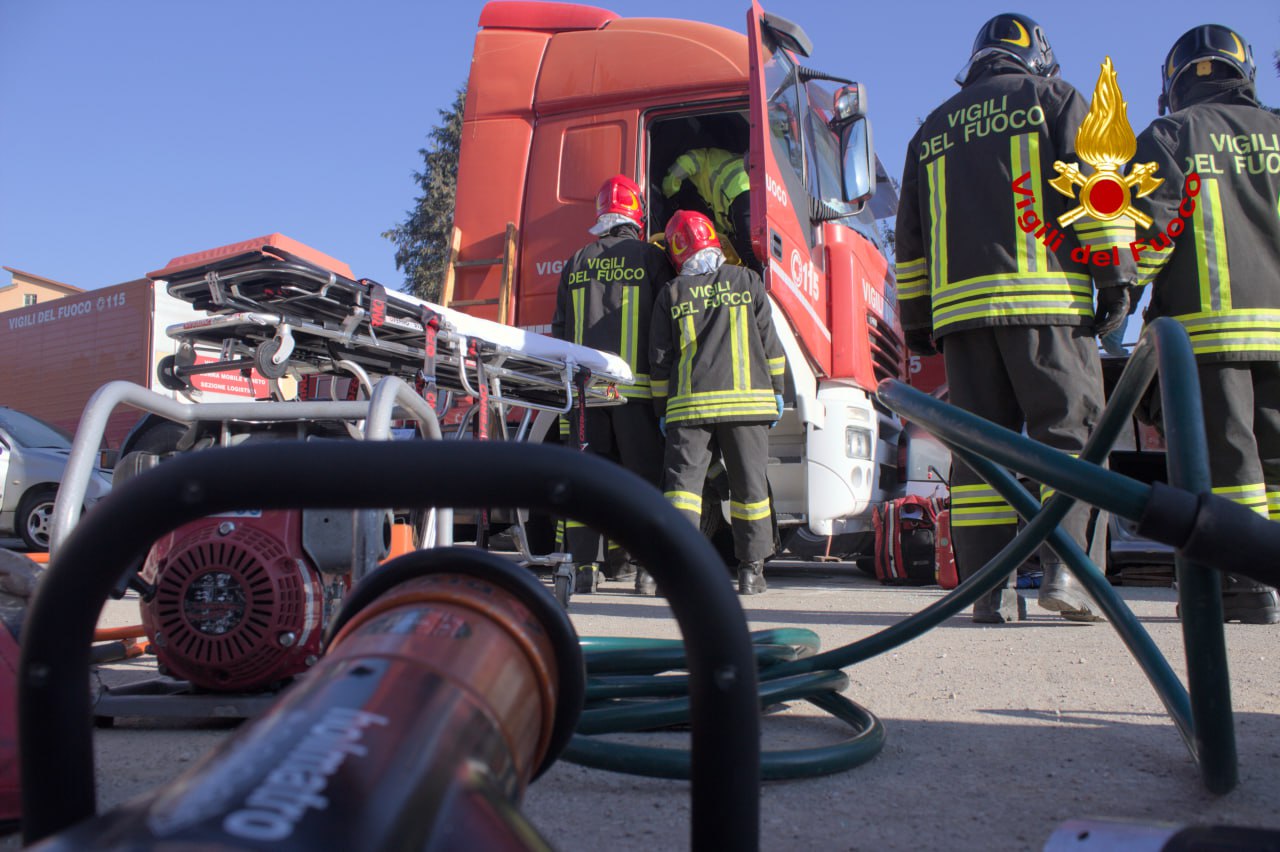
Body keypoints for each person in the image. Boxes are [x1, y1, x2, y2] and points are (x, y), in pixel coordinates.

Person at [894, 13, 1134, 623]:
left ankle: (984, 590)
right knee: (1070, 441)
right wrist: (1116, 277)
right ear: (1037, 57)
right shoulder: (1057, 100)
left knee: (978, 457)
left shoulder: (931, 129)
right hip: (1048, 304)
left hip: (963, 320)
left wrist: (918, 318)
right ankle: (1069, 576)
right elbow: (1097, 192)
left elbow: (911, 239)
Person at [1132, 24, 1280, 624]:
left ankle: (1244, 586)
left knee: (1229, 462)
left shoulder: (1170, 134)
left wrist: (1124, 294)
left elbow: (1147, 237)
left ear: (1173, 84)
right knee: (1275, 463)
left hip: (1213, 330)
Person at [649, 210, 785, 596]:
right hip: (748, 406)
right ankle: (750, 572)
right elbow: (770, 345)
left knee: (683, 492)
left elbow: (659, 361)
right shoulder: (747, 281)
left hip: (690, 411)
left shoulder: (671, 294)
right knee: (750, 489)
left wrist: (662, 411)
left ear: (676, 253)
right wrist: (777, 391)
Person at [551, 174, 673, 594]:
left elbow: (560, 331)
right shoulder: (651, 258)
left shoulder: (577, 260)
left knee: (589, 482)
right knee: (643, 482)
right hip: (637, 397)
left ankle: (584, 569)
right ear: (636, 214)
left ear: (602, 215)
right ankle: (647, 571)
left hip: (587, 397)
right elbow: (665, 326)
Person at [660, 148, 757, 270]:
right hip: (743, 194)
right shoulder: (711, 194)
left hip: (739, 191)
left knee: (750, 249)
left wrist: (669, 194)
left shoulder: (701, 159)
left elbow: (684, 163)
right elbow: (721, 227)